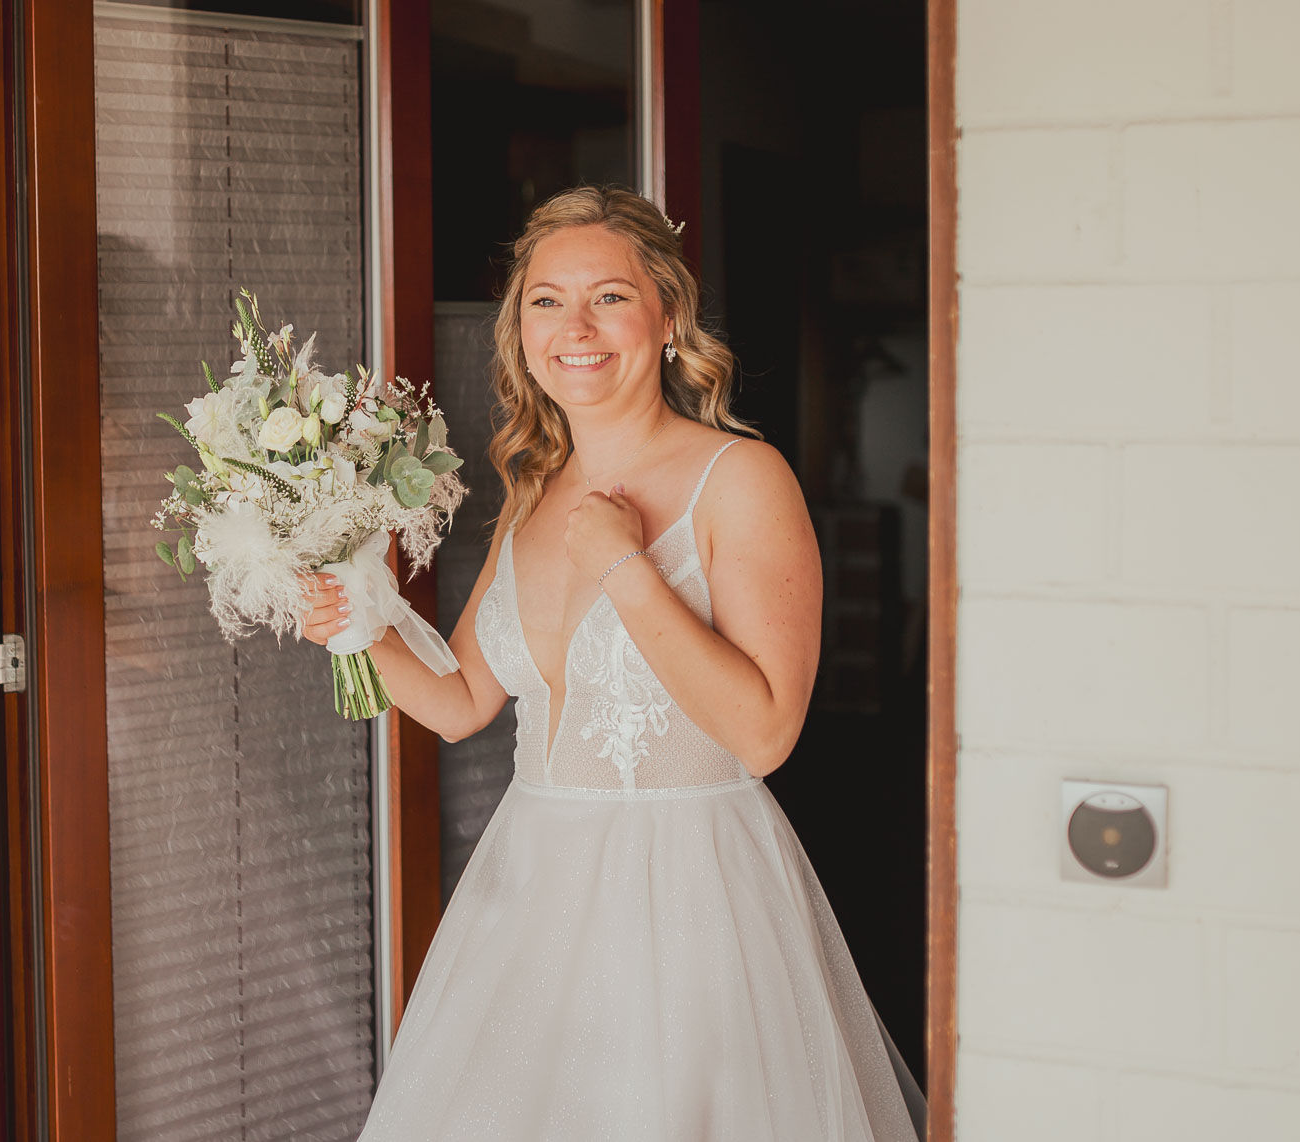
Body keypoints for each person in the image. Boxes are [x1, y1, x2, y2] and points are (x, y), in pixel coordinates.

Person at [304, 184, 925, 1140]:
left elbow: (764, 733)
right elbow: (465, 700)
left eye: (610, 297)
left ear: (668, 316)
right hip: (529, 897)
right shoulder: (534, 485)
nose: (575, 327)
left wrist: (625, 567)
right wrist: (359, 627)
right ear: (521, 329)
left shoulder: (741, 478)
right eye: (547, 301)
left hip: (691, 896)